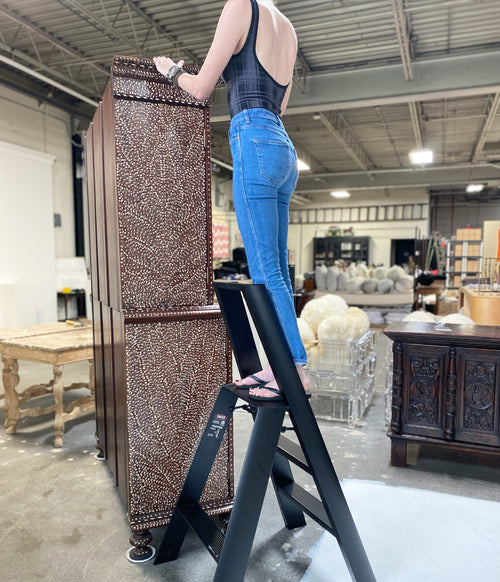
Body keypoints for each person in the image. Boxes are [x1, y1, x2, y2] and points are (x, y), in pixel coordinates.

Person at [154, 0, 309, 400]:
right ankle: (282, 366)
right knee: (277, 270)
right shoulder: (287, 27)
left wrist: (170, 70)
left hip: (252, 137)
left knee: (264, 271)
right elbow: (281, 103)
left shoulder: (241, 5)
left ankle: (292, 371)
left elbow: (201, 88)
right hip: (281, 145)